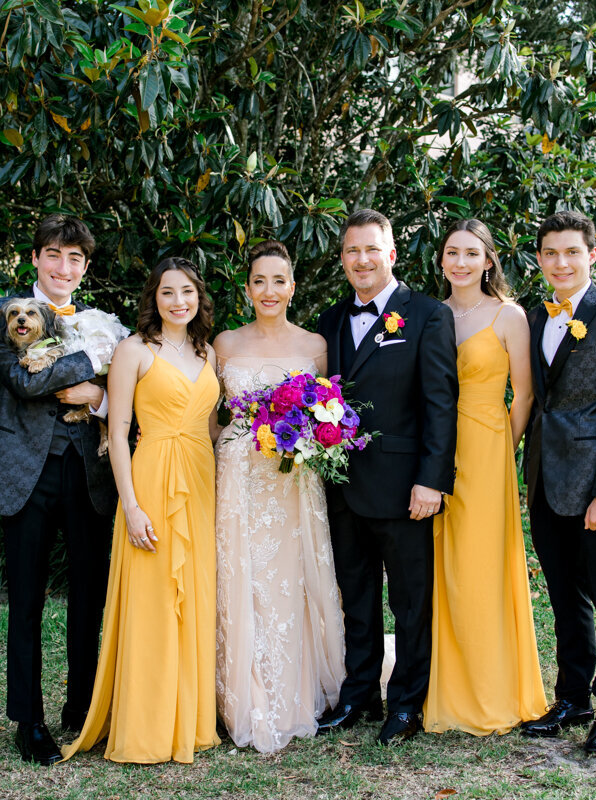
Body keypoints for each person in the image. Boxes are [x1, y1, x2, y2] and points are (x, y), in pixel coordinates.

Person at [0, 214, 115, 766]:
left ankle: (81, 708)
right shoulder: (4, 311)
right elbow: (23, 382)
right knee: (24, 600)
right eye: (53, 254)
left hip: (90, 476)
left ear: (85, 267)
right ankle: (29, 721)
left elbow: (116, 398)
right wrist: (92, 362)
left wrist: (96, 396)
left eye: (74, 258)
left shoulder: (102, 320)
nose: (63, 266)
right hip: (23, 474)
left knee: (89, 596)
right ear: (35, 259)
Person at [62, 257, 221, 764]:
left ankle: (190, 718)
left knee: (193, 595)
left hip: (200, 478)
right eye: (168, 292)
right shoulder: (133, 349)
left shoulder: (208, 352)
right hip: (151, 476)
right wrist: (130, 506)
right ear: (154, 297)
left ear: (200, 297)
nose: (179, 301)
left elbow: (215, 427)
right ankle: (148, 725)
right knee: (155, 599)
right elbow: (116, 431)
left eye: (188, 292)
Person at [314, 209, 458, 746]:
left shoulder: (424, 315)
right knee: (356, 596)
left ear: (391, 254)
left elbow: (441, 404)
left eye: (371, 249)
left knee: (409, 600)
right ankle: (358, 697)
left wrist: (432, 480)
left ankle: (406, 704)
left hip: (405, 488)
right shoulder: (329, 321)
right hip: (343, 485)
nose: (361, 259)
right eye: (352, 251)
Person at [518, 210, 596, 753]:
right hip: (545, 479)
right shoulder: (532, 317)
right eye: (551, 253)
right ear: (541, 259)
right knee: (564, 599)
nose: (561, 262)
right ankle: (571, 697)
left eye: (571, 252)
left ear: (592, 255)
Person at [211, 240, 346, 754]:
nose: (269, 291)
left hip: (292, 480)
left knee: (291, 580)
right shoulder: (224, 343)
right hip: (239, 476)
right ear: (246, 289)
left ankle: (296, 687)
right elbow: (211, 417)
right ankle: (241, 693)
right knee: (240, 576)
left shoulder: (314, 346)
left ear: (292, 287)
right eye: (259, 281)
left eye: (278, 281)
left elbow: (325, 410)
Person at [422, 219, 549, 735]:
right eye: (452, 253)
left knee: (481, 567)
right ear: (442, 260)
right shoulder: (430, 315)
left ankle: (493, 688)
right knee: (442, 567)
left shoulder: (508, 316)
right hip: (434, 451)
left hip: (486, 448)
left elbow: (524, 395)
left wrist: (500, 447)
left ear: (489, 261)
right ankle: (447, 686)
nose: (460, 262)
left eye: (471, 254)